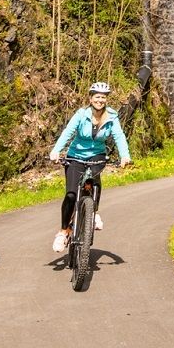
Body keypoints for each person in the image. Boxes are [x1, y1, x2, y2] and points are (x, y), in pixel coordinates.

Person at [48, 81, 130, 256]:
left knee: (93, 180)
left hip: (97, 155)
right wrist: (56, 151)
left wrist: (124, 155)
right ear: (91, 98)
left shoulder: (112, 116)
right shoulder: (81, 114)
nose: (100, 100)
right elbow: (68, 132)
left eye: (103, 97)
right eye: (97, 97)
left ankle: (94, 213)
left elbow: (119, 136)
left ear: (106, 99)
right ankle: (63, 232)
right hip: (75, 155)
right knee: (71, 194)